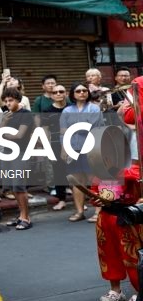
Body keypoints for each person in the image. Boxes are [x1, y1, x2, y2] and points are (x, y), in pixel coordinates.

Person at [60, 82, 103, 223]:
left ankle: (98, 211)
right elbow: (63, 131)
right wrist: (64, 148)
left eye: (84, 90)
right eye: (78, 91)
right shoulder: (67, 111)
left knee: (93, 179)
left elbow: (89, 128)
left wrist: (73, 129)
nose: (82, 93)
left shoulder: (94, 108)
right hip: (73, 147)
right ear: (73, 94)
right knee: (77, 181)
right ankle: (79, 211)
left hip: (91, 147)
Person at [0, 88, 35, 231]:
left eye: (11, 100)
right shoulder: (6, 115)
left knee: (19, 185)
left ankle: (26, 218)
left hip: (21, 152)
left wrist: (4, 135)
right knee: (12, 187)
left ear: (18, 100)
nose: (8, 103)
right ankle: (21, 215)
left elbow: (20, 135)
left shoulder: (26, 114)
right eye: (6, 101)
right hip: (7, 153)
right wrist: (4, 123)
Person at [44, 84, 69, 210]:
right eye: (55, 92)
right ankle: (62, 199)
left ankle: (79, 201)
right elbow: (45, 130)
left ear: (66, 93)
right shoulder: (47, 111)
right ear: (51, 96)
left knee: (75, 172)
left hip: (72, 143)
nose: (58, 94)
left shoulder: (71, 108)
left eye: (61, 91)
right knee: (59, 171)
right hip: (55, 144)